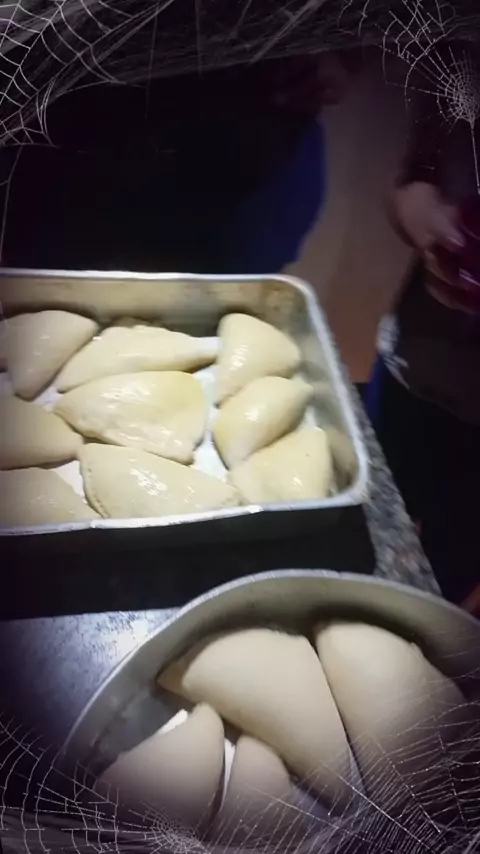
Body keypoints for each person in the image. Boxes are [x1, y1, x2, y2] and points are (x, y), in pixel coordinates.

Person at [0, 53, 355, 274]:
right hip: (71, 149)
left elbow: (356, 34)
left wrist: (341, 56)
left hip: (246, 162)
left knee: (220, 319)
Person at [365, 44, 480, 609]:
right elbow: (417, 176)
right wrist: (415, 207)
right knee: (360, 522)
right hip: (411, 360)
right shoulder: (465, 48)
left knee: (440, 581)